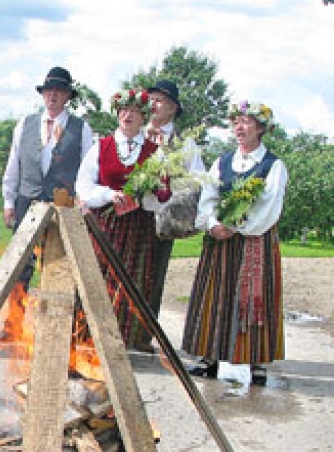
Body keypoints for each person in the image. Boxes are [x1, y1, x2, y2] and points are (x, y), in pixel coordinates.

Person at [182, 101, 288, 386]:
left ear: (261, 128)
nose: (239, 128)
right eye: (236, 122)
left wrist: (236, 226)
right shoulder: (223, 161)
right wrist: (213, 222)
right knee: (216, 294)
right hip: (221, 242)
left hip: (254, 241)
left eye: (246, 122)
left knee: (254, 297)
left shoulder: (273, 165)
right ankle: (209, 356)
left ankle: (256, 361)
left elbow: (269, 206)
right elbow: (209, 195)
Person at [75, 88, 165, 351]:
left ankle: (119, 343)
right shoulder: (100, 147)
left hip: (137, 227)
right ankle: (87, 336)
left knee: (130, 282)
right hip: (105, 224)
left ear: (143, 117)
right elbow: (83, 185)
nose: (128, 115)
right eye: (124, 110)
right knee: (98, 278)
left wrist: (141, 197)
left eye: (135, 111)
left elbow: (160, 194)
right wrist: (108, 194)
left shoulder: (154, 152)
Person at [2, 66, 94, 285]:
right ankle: (15, 318)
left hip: (62, 205)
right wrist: (8, 201)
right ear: (43, 94)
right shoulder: (25, 124)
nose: (53, 94)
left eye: (59, 90)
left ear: (67, 97)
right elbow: (13, 164)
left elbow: (87, 171)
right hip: (27, 200)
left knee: (57, 267)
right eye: (49, 90)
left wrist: (83, 201)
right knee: (20, 265)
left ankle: (50, 317)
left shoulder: (81, 129)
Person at [141, 79, 207, 346]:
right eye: (151, 99)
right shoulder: (133, 132)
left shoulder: (184, 143)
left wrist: (174, 195)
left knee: (153, 275)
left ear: (172, 109)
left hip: (162, 218)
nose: (153, 105)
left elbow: (199, 179)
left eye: (159, 100)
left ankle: (144, 334)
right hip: (129, 214)